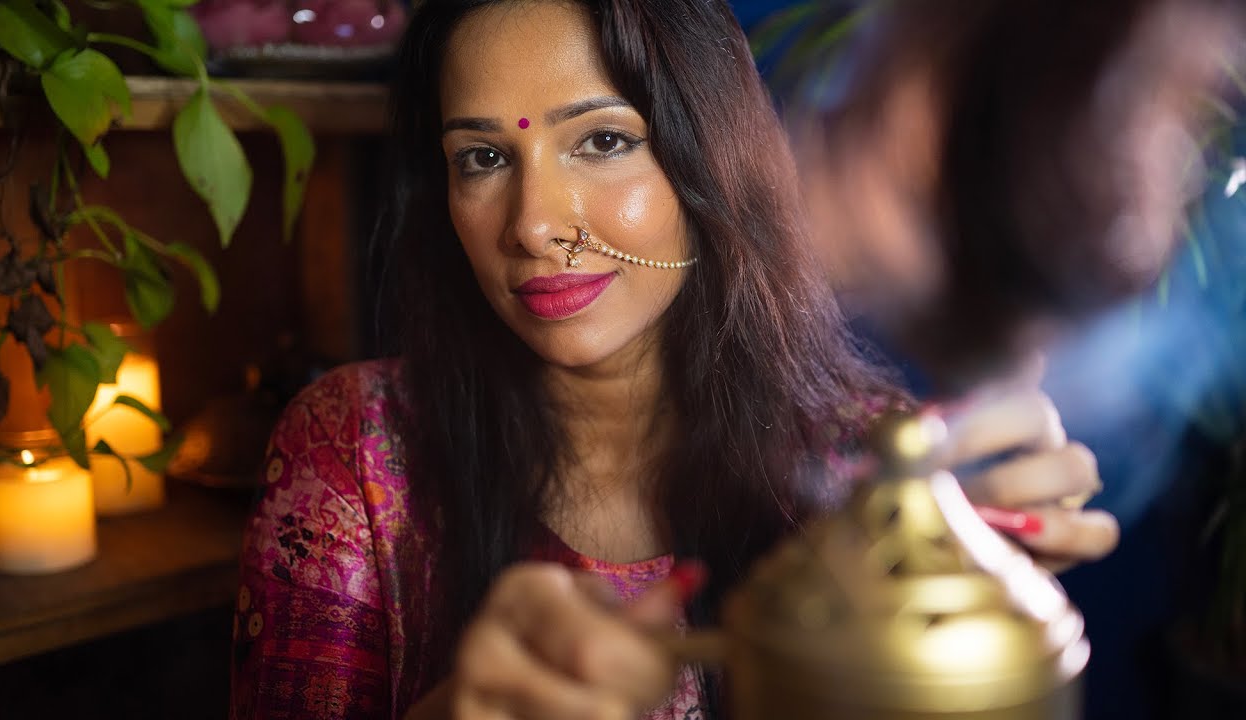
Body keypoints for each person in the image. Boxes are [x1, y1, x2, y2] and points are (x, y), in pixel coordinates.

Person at [229, 2, 1119, 718]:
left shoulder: (871, 473)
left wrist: (975, 627)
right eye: (485, 158)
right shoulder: (353, 451)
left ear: (711, 159)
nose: (534, 223)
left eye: (604, 141)